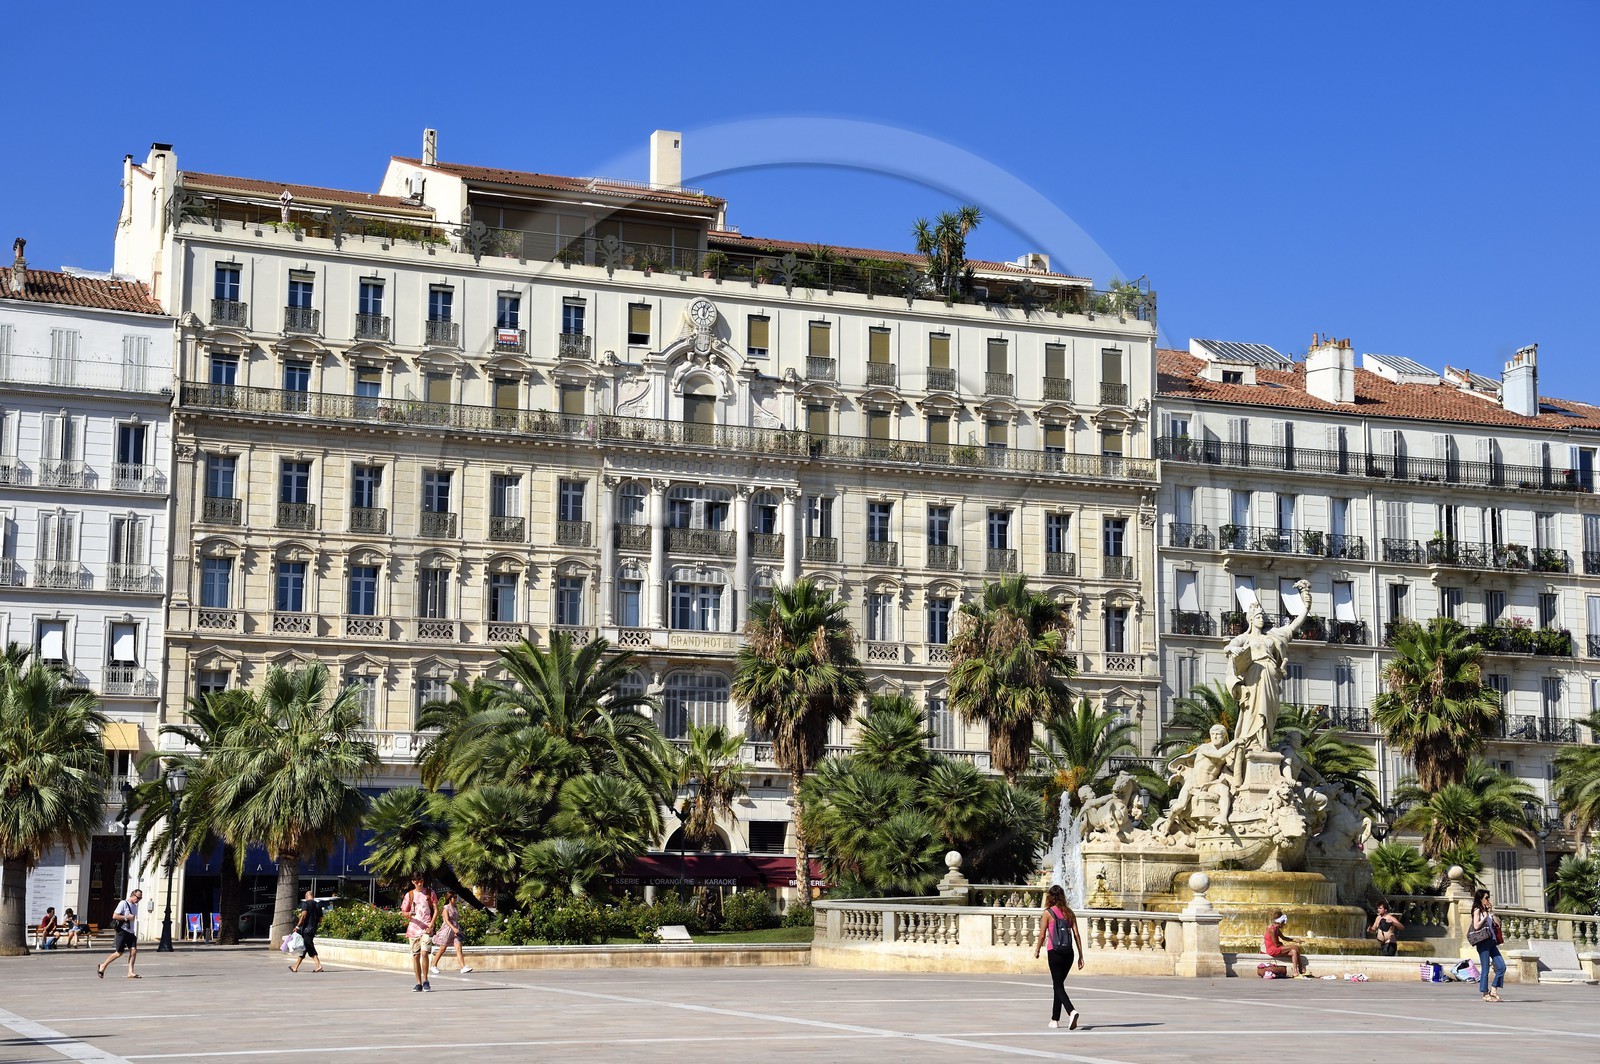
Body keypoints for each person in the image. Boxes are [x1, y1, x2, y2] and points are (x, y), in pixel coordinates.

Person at [1223, 583, 1312, 781]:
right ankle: (1255, 744)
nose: (1261, 619)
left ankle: (1265, 741)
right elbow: (1229, 647)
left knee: (1269, 712)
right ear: (1250, 620)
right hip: (1254, 677)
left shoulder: (1272, 637)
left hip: (1271, 678)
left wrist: (1306, 606)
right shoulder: (1243, 638)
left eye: (1262, 616)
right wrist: (1232, 650)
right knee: (1256, 711)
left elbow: (1293, 626)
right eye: (1257, 616)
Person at [1162, 724, 1245, 833]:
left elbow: (1231, 767)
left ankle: (1223, 817)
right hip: (1193, 783)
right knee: (1180, 805)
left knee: (1224, 790)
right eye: (1213, 734)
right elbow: (1219, 754)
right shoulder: (1205, 748)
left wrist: (1240, 752)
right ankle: (1168, 821)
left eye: (1218, 735)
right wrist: (1235, 742)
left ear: (1224, 736)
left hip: (1209, 785)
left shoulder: (1226, 752)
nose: (1215, 737)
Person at [1031, 884, 1084, 1030]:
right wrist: (1081, 956)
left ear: (1050, 897)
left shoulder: (1048, 913)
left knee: (1057, 984)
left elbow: (1042, 934)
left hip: (1054, 952)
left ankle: (1071, 1011)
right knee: (1058, 984)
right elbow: (1077, 935)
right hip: (1069, 953)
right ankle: (1054, 1019)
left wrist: (1037, 950)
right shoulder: (1069, 913)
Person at [400, 876, 438, 992]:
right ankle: (418, 983)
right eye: (417, 882)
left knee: (424, 952)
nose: (419, 883)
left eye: (421, 881)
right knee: (416, 956)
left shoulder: (429, 893)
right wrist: (409, 914)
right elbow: (403, 912)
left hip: (426, 928)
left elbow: (436, 910)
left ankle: (426, 980)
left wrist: (431, 924)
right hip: (413, 929)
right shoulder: (409, 895)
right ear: (413, 882)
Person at [97, 888, 143, 979]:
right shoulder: (123, 903)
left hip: (131, 932)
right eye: (138, 898)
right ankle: (103, 966)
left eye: (140, 898)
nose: (139, 900)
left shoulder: (135, 906)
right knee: (119, 953)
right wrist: (126, 917)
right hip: (122, 931)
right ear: (133, 895)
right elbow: (114, 916)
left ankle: (130, 972)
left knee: (133, 951)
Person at [1471, 888, 1505, 1002]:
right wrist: (1485, 916)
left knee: (1501, 966)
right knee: (1485, 968)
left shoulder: (1488, 912)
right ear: (1480, 899)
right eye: (1486, 898)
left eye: (1488, 898)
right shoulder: (1477, 911)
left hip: (1492, 942)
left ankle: (1494, 990)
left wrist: (1491, 912)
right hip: (1483, 942)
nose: (1488, 900)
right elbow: (1476, 926)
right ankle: (1485, 993)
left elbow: (1498, 924)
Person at [429, 890, 472, 976]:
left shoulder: (455, 907)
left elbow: (455, 919)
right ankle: (433, 965)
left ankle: (463, 967)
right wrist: (453, 928)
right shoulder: (446, 908)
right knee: (442, 948)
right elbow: (447, 921)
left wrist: (457, 929)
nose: (455, 899)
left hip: (455, 930)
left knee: (459, 948)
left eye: (456, 897)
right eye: (454, 897)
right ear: (449, 898)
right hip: (447, 930)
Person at [288, 889, 325, 973]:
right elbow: (320, 920)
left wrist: (297, 926)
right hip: (313, 929)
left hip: (306, 929)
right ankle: (295, 966)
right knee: (304, 948)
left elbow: (303, 916)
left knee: (309, 946)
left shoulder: (306, 904)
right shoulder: (318, 905)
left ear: (306, 897)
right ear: (313, 896)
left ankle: (318, 965)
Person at [1262, 911, 1307, 977]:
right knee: (1295, 947)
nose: (1284, 925)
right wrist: (1286, 946)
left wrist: (1295, 940)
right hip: (1272, 950)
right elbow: (1276, 945)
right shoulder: (1272, 930)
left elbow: (1284, 938)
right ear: (1280, 922)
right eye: (1283, 923)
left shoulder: (1276, 929)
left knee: (1294, 951)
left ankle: (1295, 971)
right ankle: (1301, 968)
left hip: (1277, 948)